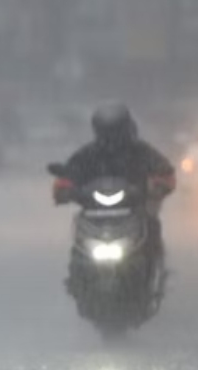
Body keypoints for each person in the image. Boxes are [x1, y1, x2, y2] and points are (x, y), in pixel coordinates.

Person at [54, 103, 176, 260]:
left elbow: (164, 172)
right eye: (106, 130)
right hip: (94, 214)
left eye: (115, 130)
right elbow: (69, 175)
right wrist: (64, 189)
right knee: (79, 241)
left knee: (150, 222)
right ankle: (79, 275)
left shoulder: (141, 153)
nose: (111, 136)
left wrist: (156, 186)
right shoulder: (87, 155)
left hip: (134, 210)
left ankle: (153, 266)